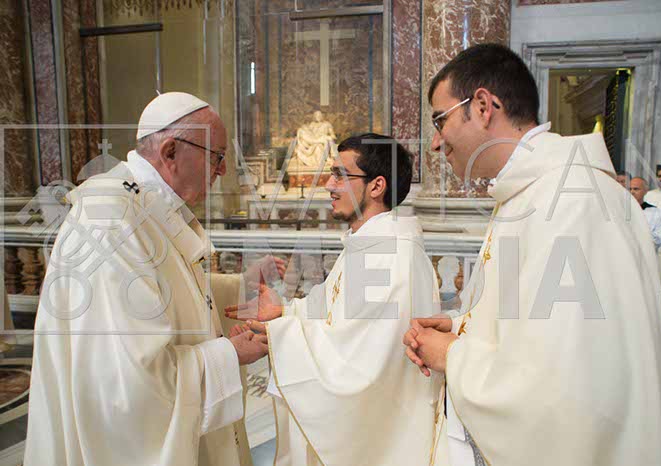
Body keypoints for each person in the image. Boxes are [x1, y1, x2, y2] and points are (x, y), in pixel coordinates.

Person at [403, 44, 661, 466]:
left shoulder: (572, 203)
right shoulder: (534, 192)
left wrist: (451, 354)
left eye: (440, 120)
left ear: (484, 106)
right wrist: (462, 324)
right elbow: (537, 324)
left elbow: (564, 388)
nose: (435, 142)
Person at [24, 92, 282, 466]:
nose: (223, 169)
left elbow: (160, 290)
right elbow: (130, 383)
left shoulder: (145, 202)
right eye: (217, 155)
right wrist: (230, 354)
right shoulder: (109, 222)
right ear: (170, 151)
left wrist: (238, 287)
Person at [227, 134, 445, 466]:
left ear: (377, 186)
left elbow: (363, 362)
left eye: (340, 175)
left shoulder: (393, 257)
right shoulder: (365, 244)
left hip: (380, 438)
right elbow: (334, 314)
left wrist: (280, 337)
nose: (328, 185)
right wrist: (283, 312)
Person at [629, 177, 661, 250]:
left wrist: (640, 236)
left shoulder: (656, 212)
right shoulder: (620, 209)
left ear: (645, 191)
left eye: (636, 189)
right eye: (630, 189)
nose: (632, 192)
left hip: (647, 251)